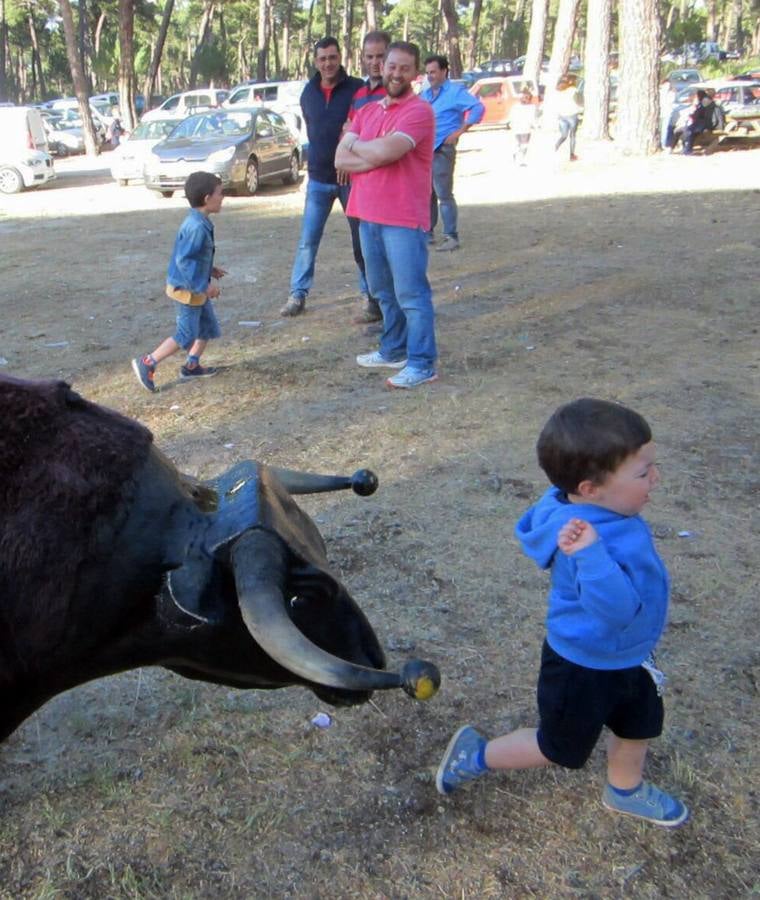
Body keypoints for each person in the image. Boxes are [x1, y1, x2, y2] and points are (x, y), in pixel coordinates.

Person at [436, 398, 689, 828]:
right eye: (644, 473)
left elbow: (560, 489)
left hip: (630, 656)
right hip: (584, 665)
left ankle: (624, 790)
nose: (656, 479)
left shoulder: (595, 507)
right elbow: (617, 611)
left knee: (639, 725)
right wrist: (592, 556)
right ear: (590, 489)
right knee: (558, 747)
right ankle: (475, 755)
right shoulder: (580, 539)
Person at [335, 41, 438, 390]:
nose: (394, 72)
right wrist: (373, 153)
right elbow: (339, 158)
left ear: (415, 73)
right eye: (391, 66)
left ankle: (423, 363)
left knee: (411, 293)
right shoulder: (368, 110)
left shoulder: (418, 111)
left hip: (403, 219)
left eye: (403, 68)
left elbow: (387, 151)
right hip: (367, 214)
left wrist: (363, 149)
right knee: (382, 290)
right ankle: (393, 348)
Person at [281, 37, 366, 319]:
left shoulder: (357, 89)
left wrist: (350, 157)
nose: (328, 63)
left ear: (340, 57)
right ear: (315, 61)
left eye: (332, 57)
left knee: (361, 239)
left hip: (350, 179)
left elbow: (364, 128)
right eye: (322, 58)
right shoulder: (308, 92)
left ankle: (370, 295)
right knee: (308, 241)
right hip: (318, 179)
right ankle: (297, 294)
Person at [131, 171, 227, 393]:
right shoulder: (196, 227)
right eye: (220, 193)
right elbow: (184, 261)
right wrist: (205, 286)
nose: (223, 197)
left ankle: (191, 366)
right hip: (187, 290)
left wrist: (210, 269)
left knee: (207, 328)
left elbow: (193, 257)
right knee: (186, 334)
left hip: (195, 288)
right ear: (206, 198)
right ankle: (147, 363)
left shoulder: (200, 221)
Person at [348, 30, 391, 329]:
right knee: (364, 250)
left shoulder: (396, 93)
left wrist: (357, 150)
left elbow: (386, 146)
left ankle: (394, 317)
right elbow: (348, 133)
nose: (375, 62)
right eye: (370, 56)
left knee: (392, 253)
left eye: (380, 56)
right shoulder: (360, 95)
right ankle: (375, 304)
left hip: (388, 186)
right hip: (360, 186)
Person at [421, 55, 484, 251]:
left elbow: (477, 107)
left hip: (442, 149)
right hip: (425, 150)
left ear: (443, 71)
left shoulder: (455, 92)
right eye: (428, 72)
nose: (430, 76)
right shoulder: (426, 94)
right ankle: (427, 232)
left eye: (433, 72)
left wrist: (460, 131)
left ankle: (451, 236)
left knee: (443, 193)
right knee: (426, 193)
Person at [681, 89, 725, 155]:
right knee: (689, 130)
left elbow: (699, 114)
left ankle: (687, 150)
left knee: (689, 130)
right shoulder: (707, 101)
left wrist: (692, 115)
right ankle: (687, 149)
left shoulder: (705, 102)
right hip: (712, 123)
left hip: (709, 124)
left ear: (699, 96)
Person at [554, 76, 583, 160]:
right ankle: (572, 155)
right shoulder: (573, 90)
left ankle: (555, 147)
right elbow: (579, 101)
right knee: (573, 135)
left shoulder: (557, 91)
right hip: (572, 114)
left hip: (562, 115)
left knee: (563, 135)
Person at [509, 88, 538, 165]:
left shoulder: (515, 106)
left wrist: (511, 124)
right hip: (525, 128)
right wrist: (536, 126)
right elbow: (532, 119)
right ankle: (520, 159)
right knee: (524, 145)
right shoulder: (532, 107)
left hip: (517, 127)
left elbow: (511, 117)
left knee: (518, 143)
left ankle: (516, 153)